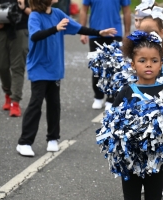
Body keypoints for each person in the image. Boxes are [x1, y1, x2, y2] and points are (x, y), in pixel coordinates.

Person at [16, 0, 117, 157]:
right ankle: (24, 142)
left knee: (54, 104)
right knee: (36, 104)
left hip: (54, 68)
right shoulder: (35, 16)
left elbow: (77, 28)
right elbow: (35, 36)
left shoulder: (57, 14)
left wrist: (99, 33)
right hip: (39, 68)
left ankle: (53, 139)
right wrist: (55, 28)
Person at [113, 30, 163, 200]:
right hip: (131, 160)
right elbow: (112, 121)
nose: (148, 64)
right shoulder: (126, 91)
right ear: (133, 64)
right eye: (142, 60)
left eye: (154, 60)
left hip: (156, 159)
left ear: (161, 64)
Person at [79, 0, 131, 110]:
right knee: (97, 68)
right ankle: (98, 96)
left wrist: (127, 32)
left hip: (115, 34)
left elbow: (126, 10)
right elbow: (84, 10)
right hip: (95, 33)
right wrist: (83, 32)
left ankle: (111, 98)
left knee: (114, 68)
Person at [0, 0, 31, 117]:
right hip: (0, 31)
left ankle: (15, 102)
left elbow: (36, 12)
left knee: (17, 67)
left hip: (20, 30)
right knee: (1, 66)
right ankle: (8, 93)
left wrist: (23, 8)